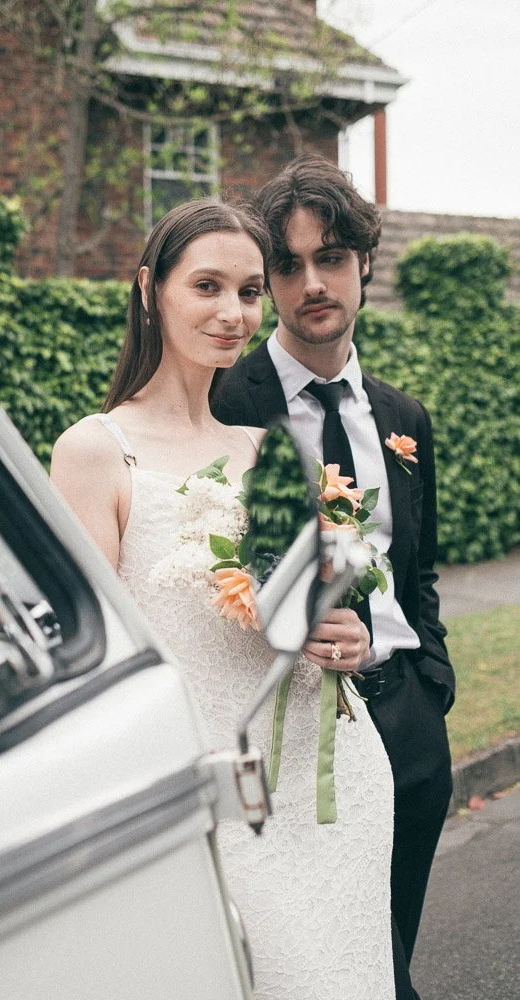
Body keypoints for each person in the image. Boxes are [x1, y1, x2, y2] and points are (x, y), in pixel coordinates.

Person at [51, 198, 396, 999]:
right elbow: (95, 656)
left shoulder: (265, 449)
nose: (232, 312)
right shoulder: (98, 451)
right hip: (222, 796)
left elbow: (303, 600)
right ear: (149, 289)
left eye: (247, 291)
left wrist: (346, 635)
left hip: (336, 782)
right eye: (206, 285)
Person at [211, 155, 455, 993]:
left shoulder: (402, 417)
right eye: (287, 264)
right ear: (268, 281)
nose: (311, 282)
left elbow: (416, 572)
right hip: (303, 745)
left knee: (390, 965)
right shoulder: (226, 404)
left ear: (362, 266)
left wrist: (433, 681)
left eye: (330, 258)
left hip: (411, 727)